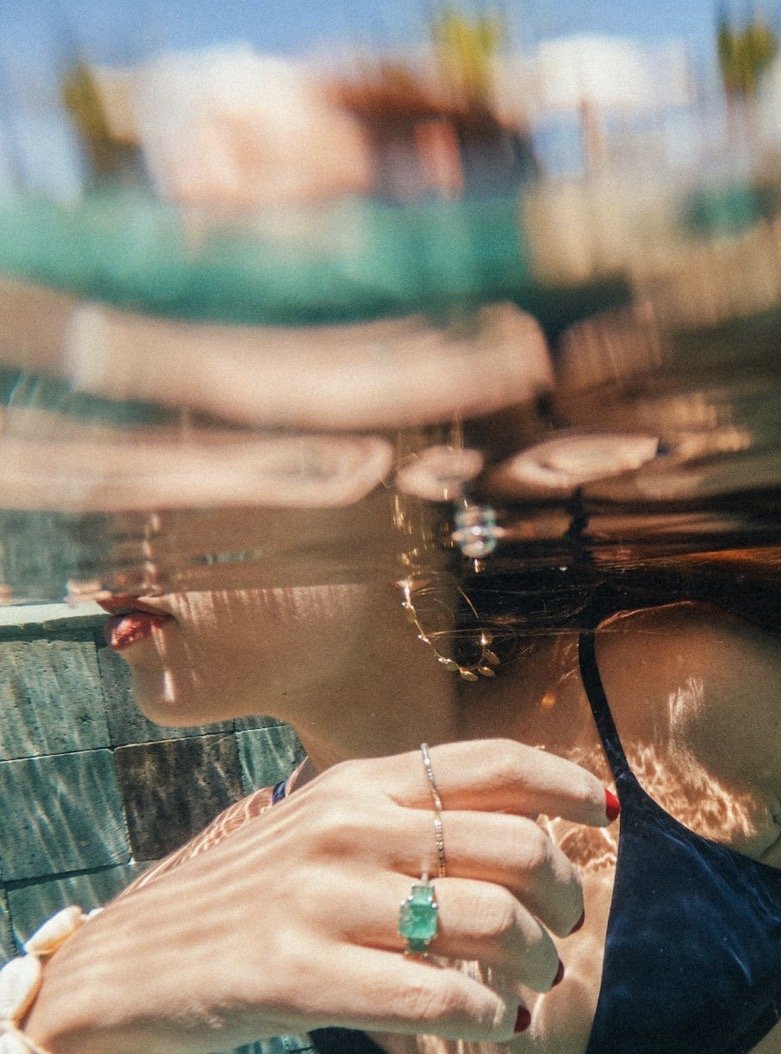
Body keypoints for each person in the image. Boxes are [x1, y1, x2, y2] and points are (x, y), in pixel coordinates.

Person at [3, 283, 781, 1054]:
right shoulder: (232, 872)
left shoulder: (679, 696)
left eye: (166, 451)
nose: (96, 534)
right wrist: (52, 1016)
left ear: (409, 469)